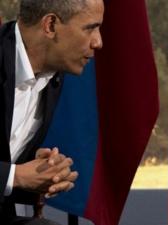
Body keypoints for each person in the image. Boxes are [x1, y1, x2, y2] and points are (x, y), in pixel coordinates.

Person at [0, 0, 103, 224]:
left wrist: (43, 173)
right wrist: (15, 175)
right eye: (90, 28)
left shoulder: (54, 75)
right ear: (50, 25)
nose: (98, 42)